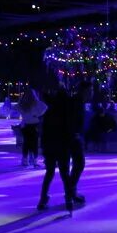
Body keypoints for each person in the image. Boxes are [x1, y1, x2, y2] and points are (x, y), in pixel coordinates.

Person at [38, 86, 74, 214]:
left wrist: (44, 147)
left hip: (50, 146)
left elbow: (44, 132)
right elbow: (70, 130)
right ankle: (68, 200)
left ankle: (43, 199)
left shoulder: (49, 112)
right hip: (63, 146)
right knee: (65, 174)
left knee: (50, 172)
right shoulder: (67, 112)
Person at [68, 81, 92, 204]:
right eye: (90, 91)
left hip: (75, 136)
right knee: (79, 164)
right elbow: (72, 120)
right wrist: (75, 134)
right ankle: (70, 192)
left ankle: (71, 191)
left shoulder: (79, 101)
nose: (91, 94)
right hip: (72, 137)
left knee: (77, 164)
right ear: (84, 91)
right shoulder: (76, 101)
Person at [17, 88, 47, 167]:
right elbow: (45, 107)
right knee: (34, 144)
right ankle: (34, 161)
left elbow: (13, 108)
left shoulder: (22, 103)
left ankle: (25, 160)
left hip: (26, 126)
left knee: (26, 143)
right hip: (34, 126)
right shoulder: (36, 103)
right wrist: (37, 115)